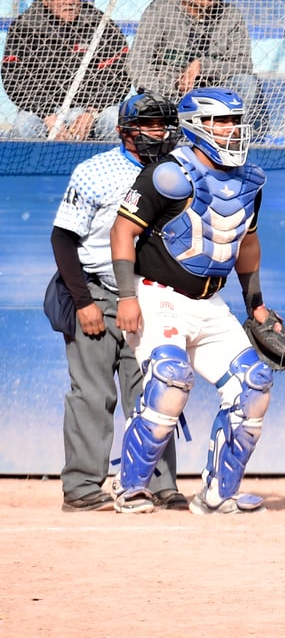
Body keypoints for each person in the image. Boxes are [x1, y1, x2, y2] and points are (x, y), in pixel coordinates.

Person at [110, 86, 279, 515]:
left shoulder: (250, 180)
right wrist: (126, 296)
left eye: (235, 120)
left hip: (210, 304)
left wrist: (255, 304)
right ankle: (129, 488)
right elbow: (122, 232)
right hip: (158, 297)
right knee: (170, 380)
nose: (231, 129)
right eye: (220, 120)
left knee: (254, 386)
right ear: (195, 125)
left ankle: (218, 495)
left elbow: (248, 243)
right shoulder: (167, 174)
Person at [50, 93, 186, 511]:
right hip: (95, 291)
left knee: (154, 392)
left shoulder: (176, 173)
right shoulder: (95, 170)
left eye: (162, 125)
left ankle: (158, 485)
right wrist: (83, 303)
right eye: (147, 125)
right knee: (92, 394)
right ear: (123, 130)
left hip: (149, 296)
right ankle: (83, 489)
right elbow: (63, 238)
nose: (157, 133)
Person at [127, 0, 262, 135]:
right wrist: (169, 93)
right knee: (118, 118)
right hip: (166, 96)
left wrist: (203, 66)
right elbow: (137, 63)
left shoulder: (230, 15)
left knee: (246, 83)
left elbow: (244, 65)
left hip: (213, 100)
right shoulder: (159, 10)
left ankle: (231, 140)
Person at [2, 0, 130, 140]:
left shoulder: (98, 22)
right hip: (43, 111)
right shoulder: (25, 27)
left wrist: (92, 110)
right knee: (24, 125)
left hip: (91, 109)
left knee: (113, 119)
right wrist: (47, 114)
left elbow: (120, 73)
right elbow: (13, 79)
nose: (70, 1)